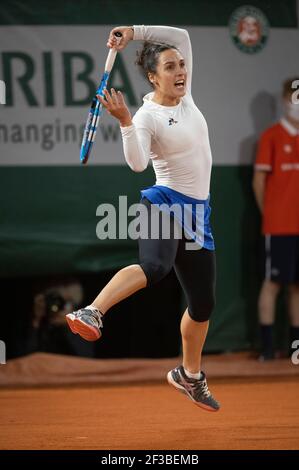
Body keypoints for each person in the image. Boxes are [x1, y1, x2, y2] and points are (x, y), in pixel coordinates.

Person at [66, 25, 220, 411]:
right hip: (163, 201)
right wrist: (125, 122)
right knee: (155, 266)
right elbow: (137, 165)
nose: (180, 71)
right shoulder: (148, 115)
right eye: (170, 67)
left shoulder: (187, 98)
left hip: (197, 213)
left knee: (203, 304)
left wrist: (133, 32)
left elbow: (181, 34)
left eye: (182, 64)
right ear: (154, 76)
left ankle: (190, 375)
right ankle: (93, 310)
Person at [253, 77, 299, 360]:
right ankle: (267, 350)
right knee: (272, 284)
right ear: (285, 100)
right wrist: (270, 213)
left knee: (298, 286)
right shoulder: (271, 136)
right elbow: (259, 182)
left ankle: (296, 348)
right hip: (278, 225)